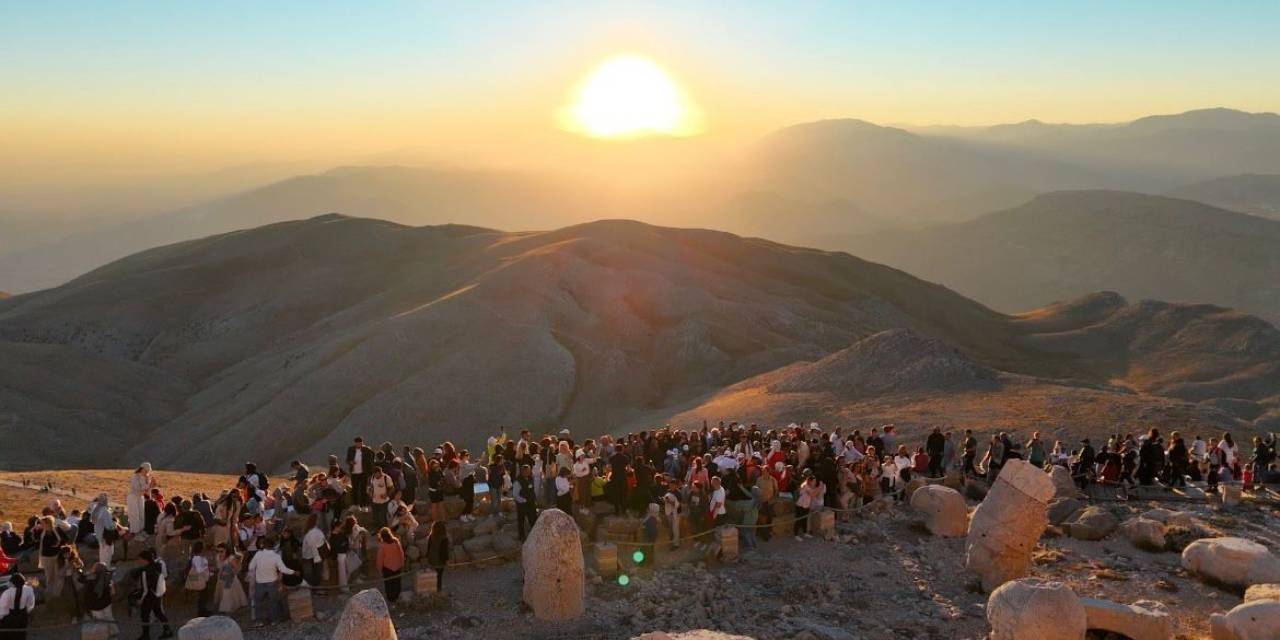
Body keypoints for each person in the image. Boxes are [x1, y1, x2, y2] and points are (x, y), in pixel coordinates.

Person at [247, 535, 294, 626]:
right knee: (273, 601)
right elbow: (283, 569)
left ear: (263, 545)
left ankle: (258, 621)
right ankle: (274, 620)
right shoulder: (276, 556)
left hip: (260, 582)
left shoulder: (258, 554)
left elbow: (251, 567)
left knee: (258, 602)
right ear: (272, 546)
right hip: (272, 582)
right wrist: (293, 572)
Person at [136, 549, 174, 640]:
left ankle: (146, 635)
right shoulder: (158, 566)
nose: (138, 561)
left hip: (149, 597)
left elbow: (145, 589)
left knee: (145, 615)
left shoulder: (145, 571)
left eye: (139, 559)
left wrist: (141, 600)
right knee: (159, 613)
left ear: (145, 560)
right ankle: (167, 630)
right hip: (158, 594)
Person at [79, 562, 115, 632]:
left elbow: (81, 580)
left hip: (95, 605)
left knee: (101, 622)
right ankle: (114, 632)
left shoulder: (91, 580)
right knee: (110, 618)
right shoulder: (108, 579)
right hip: (107, 603)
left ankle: (105, 634)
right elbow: (113, 592)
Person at [214, 544, 248, 614]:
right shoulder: (217, 557)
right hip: (221, 578)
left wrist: (230, 573)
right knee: (223, 593)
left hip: (229, 578)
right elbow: (217, 567)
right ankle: (226, 607)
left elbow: (236, 568)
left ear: (226, 550)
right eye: (218, 551)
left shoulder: (230, 558)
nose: (219, 553)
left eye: (221, 551)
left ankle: (227, 609)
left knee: (227, 593)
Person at [0, 573, 35, 639]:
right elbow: (30, 604)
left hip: (10, 619)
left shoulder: (7, 593)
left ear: (12, 583)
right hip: (22, 617)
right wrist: (25, 612)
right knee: (21, 635)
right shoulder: (29, 590)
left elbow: (2, 609)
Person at [375, 528, 405, 603]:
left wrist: (379, 568)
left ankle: (391, 598)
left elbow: (380, 558)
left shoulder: (383, 545)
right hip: (397, 566)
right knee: (397, 581)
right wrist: (402, 563)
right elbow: (401, 553)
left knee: (389, 583)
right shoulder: (396, 541)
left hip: (387, 568)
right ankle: (397, 596)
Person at [185, 540, 213, 617]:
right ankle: (201, 611)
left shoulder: (199, 557)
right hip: (200, 579)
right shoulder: (197, 558)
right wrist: (207, 568)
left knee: (204, 595)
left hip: (202, 578)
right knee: (202, 595)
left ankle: (203, 610)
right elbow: (199, 570)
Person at [300, 514, 327, 591]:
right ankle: (315, 587)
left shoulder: (312, 529)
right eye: (318, 520)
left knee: (315, 571)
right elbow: (313, 546)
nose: (319, 521)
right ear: (315, 521)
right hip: (314, 555)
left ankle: (314, 585)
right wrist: (317, 558)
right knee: (316, 572)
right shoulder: (311, 533)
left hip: (313, 554)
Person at [514, 465, 539, 541]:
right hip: (522, 505)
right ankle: (521, 537)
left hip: (531, 504)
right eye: (527, 471)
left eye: (529, 470)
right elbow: (515, 494)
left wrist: (535, 501)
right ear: (523, 471)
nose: (529, 472)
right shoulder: (518, 481)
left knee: (533, 519)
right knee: (521, 521)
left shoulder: (530, 478)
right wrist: (523, 500)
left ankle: (535, 536)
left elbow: (532, 491)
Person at [128, 463, 154, 537]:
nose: (147, 472)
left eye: (148, 471)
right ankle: (135, 532)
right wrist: (149, 485)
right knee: (135, 514)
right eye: (146, 470)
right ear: (142, 469)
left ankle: (141, 530)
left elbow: (147, 490)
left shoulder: (146, 477)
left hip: (140, 496)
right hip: (133, 496)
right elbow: (137, 489)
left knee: (141, 514)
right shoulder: (135, 477)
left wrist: (150, 485)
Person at [347, 437, 374, 508]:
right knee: (354, 489)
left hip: (363, 473)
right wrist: (351, 462)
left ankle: (364, 505)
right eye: (357, 443)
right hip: (354, 472)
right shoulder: (351, 449)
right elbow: (347, 459)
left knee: (363, 489)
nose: (359, 444)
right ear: (355, 443)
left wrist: (370, 473)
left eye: (360, 443)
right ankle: (355, 504)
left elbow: (370, 462)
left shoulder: (367, 450)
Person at [424, 520, 450, 593]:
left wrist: (428, 557)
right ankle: (438, 589)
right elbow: (444, 552)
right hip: (439, 561)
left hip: (431, 560)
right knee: (439, 576)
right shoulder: (444, 538)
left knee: (434, 574)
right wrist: (446, 561)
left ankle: (433, 587)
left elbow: (428, 548)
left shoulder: (431, 536)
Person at [367, 466, 393, 531]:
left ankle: (385, 530)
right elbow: (370, 487)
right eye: (375, 474)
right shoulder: (372, 478)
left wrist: (386, 494)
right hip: (374, 501)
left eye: (378, 474)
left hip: (384, 501)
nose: (377, 476)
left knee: (383, 517)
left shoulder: (386, 478)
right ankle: (377, 530)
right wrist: (370, 493)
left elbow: (392, 488)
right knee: (375, 517)